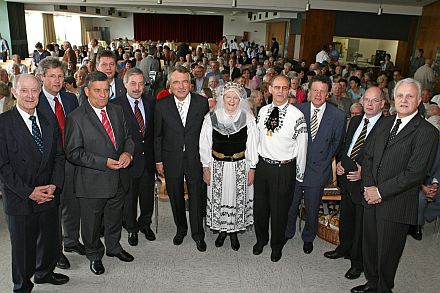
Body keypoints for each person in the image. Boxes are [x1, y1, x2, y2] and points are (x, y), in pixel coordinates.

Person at [351, 78, 439, 293]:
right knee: (370, 246)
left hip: (397, 203)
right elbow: (369, 156)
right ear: (394, 99)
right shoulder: (385, 123)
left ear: (419, 100)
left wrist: (380, 191)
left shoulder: (428, 133)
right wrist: (369, 187)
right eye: (400, 95)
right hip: (371, 197)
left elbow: (415, 173)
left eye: (410, 96)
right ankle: (372, 283)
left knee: (387, 253)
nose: (404, 100)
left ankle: (383, 288)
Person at [0, 74, 69, 292]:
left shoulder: (48, 119)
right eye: (24, 91)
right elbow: (3, 167)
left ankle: (45, 273)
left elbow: (59, 155)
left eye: (34, 90)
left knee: (50, 239)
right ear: (14, 92)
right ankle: (22, 285)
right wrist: (29, 192)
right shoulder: (3, 124)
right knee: (23, 247)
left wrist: (54, 185)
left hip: (48, 192)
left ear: (40, 91)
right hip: (20, 196)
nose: (30, 96)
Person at [64, 71, 135, 275]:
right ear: (87, 91)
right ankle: (94, 255)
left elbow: (128, 137)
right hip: (92, 182)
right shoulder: (76, 118)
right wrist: (103, 162)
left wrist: (128, 153)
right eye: (98, 91)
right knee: (92, 224)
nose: (103, 95)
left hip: (118, 177)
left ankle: (113, 247)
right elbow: (73, 153)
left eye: (106, 90)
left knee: (114, 216)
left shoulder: (117, 110)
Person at [324, 87, 385, 281]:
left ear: (383, 104)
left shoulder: (386, 126)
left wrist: (364, 173)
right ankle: (344, 248)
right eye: (367, 99)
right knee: (347, 218)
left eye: (374, 101)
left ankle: (357, 263)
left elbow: (385, 159)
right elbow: (346, 146)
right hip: (347, 177)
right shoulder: (356, 120)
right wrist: (341, 161)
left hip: (366, 183)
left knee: (361, 225)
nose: (369, 103)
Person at [285, 75, 346, 255]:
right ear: (309, 92)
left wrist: (323, 161)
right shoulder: (296, 109)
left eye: (322, 91)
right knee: (291, 204)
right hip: (295, 166)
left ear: (328, 94)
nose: (318, 94)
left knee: (312, 208)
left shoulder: (338, 115)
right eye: (315, 90)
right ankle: (287, 232)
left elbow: (337, 144)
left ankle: (308, 237)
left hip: (318, 168)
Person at [154, 66, 209, 252]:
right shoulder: (161, 105)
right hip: (171, 159)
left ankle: (198, 234)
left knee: (196, 196)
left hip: (196, 158)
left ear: (190, 83)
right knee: (175, 195)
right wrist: (158, 161)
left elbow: (207, 134)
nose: (181, 86)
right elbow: (158, 136)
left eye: (184, 81)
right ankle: (181, 229)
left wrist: (207, 161)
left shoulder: (202, 103)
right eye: (176, 82)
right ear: (170, 84)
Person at [253, 75, 308, 262]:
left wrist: (299, 174)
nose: (280, 91)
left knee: (279, 211)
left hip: (284, 169)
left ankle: (276, 246)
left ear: (289, 90)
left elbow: (302, 146)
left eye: (285, 88)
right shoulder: (262, 111)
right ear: (270, 89)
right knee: (260, 208)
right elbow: (257, 139)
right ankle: (261, 240)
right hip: (263, 167)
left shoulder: (297, 115)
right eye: (277, 87)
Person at [199, 82, 258, 251]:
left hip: (240, 166)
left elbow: (253, 145)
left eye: (235, 98)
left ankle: (233, 233)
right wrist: (206, 167)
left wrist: (252, 168)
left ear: (241, 100)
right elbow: (204, 144)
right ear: (222, 98)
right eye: (228, 97)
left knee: (236, 199)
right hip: (217, 166)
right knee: (220, 199)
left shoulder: (248, 118)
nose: (232, 101)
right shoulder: (211, 118)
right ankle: (223, 231)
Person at [36, 57, 82, 270]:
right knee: (53, 209)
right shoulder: (35, 100)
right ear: (42, 77)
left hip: (72, 160)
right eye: (52, 76)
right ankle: (56, 250)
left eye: (60, 76)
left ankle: (71, 241)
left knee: (72, 204)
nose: (57, 80)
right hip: (48, 164)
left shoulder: (71, 99)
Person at [111, 68, 157, 246]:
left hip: (148, 160)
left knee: (147, 197)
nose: (137, 88)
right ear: (125, 84)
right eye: (133, 83)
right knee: (129, 198)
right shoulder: (115, 105)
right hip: (128, 161)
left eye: (140, 83)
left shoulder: (151, 102)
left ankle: (145, 224)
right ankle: (131, 228)